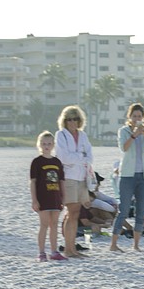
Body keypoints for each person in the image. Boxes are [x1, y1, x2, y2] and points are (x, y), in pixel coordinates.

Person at [110, 103, 144, 253]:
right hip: (128, 175)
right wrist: (134, 134)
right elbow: (124, 147)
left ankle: (136, 244)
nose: (137, 119)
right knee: (123, 209)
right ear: (129, 117)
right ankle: (114, 243)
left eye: (139, 116)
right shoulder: (123, 131)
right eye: (134, 116)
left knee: (141, 210)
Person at [54, 105, 93, 258]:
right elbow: (64, 158)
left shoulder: (83, 135)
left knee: (75, 213)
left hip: (82, 178)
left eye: (75, 119)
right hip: (68, 177)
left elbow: (90, 156)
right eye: (69, 119)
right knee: (70, 212)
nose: (72, 122)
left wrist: (77, 157)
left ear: (79, 120)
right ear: (64, 121)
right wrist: (80, 157)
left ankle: (71, 248)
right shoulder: (60, 135)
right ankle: (69, 249)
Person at [30, 131, 67, 262]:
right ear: (40, 144)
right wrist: (34, 200)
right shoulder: (37, 162)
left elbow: (62, 181)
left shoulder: (57, 161)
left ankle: (54, 251)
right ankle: (41, 252)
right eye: (44, 143)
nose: (46, 146)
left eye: (49, 143)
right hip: (43, 198)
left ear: (53, 145)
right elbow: (33, 182)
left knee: (54, 225)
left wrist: (63, 197)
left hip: (55, 198)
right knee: (44, 224)